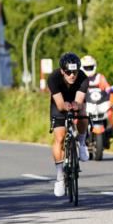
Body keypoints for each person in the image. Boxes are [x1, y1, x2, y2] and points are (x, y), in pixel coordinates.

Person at [47, 52, 89, 197]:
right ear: (62, 71)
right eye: (68, 72)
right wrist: (66, 106)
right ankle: (59, 177)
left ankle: (82, 143)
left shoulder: (83, 78)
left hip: (75, 101)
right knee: (60, 137)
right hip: (60, 102)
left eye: (74, 72)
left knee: (84, 114)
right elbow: (59, 105)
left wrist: (75, 106)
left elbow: (79, 101)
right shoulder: (53, 78)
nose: (72, 75)